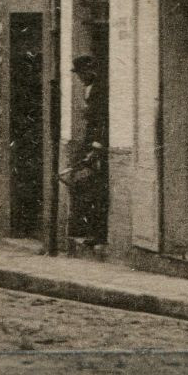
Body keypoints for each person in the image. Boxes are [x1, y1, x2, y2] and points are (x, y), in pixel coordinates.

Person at [68, 55, 109, 245]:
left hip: (98, 146)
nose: (80, 78)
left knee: (96, 190)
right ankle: (87, 229)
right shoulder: (89, 89)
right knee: (83, 186)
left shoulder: (101, 90)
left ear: (89, 71)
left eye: (81, 74)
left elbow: (102, 120)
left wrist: (96, 147)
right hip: (89, 143)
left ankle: (97, 233)